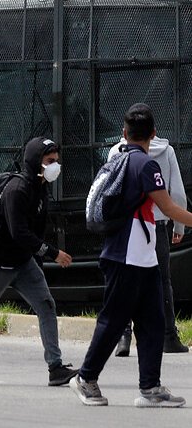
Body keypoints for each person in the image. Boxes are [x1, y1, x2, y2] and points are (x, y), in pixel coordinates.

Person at [71, 103, 192, 408]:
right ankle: (85, 378)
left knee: (152, 321)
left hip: (142, 256)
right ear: (153, 133)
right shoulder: (145, 165)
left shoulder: (120, 158)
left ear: (124, 133)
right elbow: (169, 208)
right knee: (113, 321)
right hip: (126, 256)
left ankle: (150, 388)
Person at [0, 137, 78, 387]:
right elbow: (19, 232)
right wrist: (53, 253)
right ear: (35, 161)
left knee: (46, 306)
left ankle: (55, 367)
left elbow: (34, 232)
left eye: (57, 161)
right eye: (50, 161)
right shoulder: (17, 190)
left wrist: (37, 259)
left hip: (23, 261)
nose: (55, 166)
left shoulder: (40, 187)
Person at [107, 135, 188, 356]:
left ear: (125, 131)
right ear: (152, 132)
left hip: (125, 226)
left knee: (124, 280)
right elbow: (178, 194)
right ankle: (168, 337)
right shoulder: (166, 151)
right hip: (158, 224)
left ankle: (123, 337)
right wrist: (179, 227)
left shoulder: (116, 152)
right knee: (162, 280)